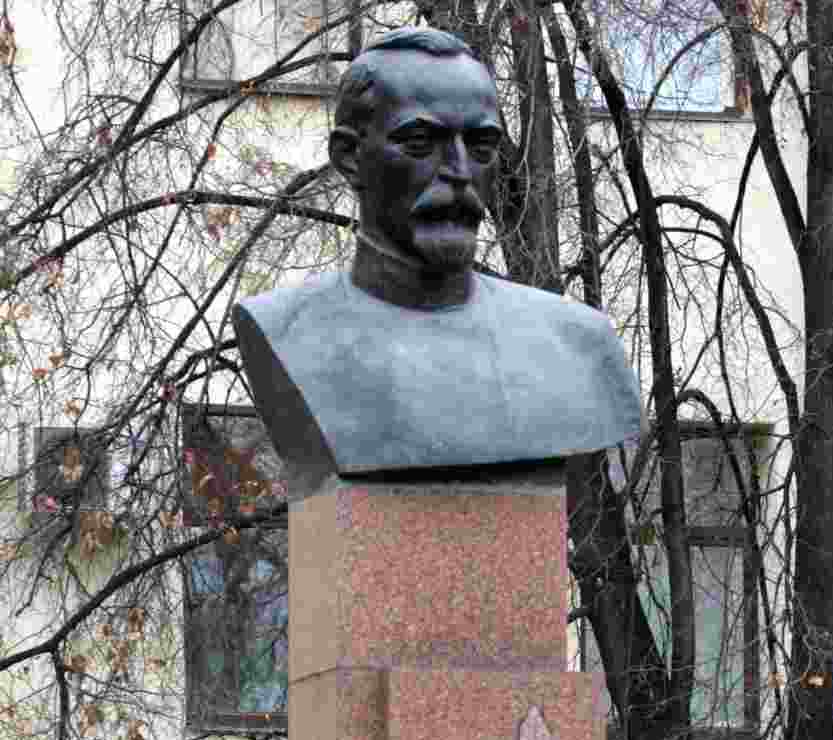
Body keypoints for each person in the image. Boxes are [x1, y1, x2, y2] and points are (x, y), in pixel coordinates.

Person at [232, 26, 642, 493]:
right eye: (421, 143)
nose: (459, 173)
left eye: (481, 146)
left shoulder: (578, 344)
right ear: (350, 159)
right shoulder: (286, 331)